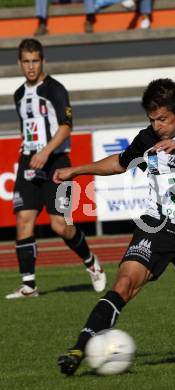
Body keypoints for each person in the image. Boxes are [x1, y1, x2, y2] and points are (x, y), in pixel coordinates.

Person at [56, 78, 175, 375]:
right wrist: (77, 170)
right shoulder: (146, 138)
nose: (157, 126)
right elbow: (120, 163)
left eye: (163, 119)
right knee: (124, 283)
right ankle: (79, 347)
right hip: (157, 226)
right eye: (152, 120)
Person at [6, 39, 106, 299]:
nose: (30, 66)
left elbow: (65, 126)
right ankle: (29, 286)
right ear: (19, 63)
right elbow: (26, 128)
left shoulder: (55, 89)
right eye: (26, 61)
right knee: (23, 220)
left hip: (56, 161)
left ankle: (91, 261)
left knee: (60, 225)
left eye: (35, 61)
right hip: (29, 161)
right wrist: (30, 151)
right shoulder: (18, 94)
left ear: (43, 61)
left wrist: (46, 151)